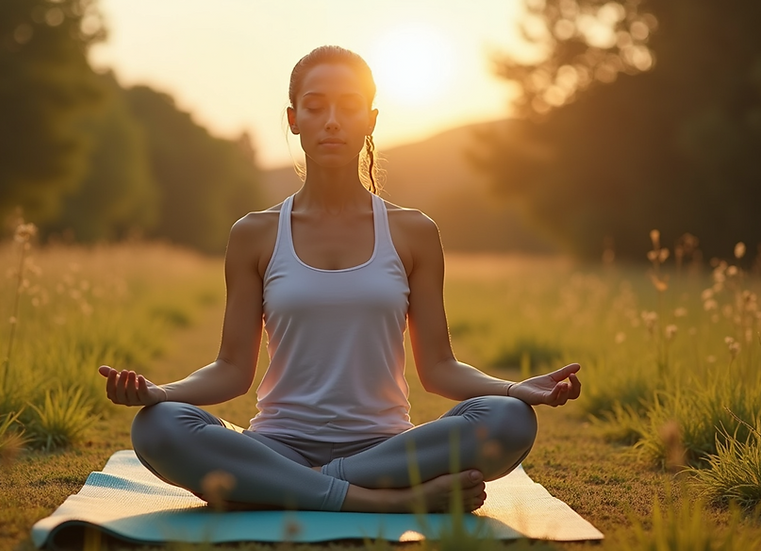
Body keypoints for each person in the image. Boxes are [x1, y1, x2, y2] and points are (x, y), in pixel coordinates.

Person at [98, 45, 582, 513]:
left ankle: (277, 489)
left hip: (386, 449)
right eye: (315, 106)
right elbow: (231, 369)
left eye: (349, 107)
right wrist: (159, 394)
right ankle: (384, 502)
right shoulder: (254, 234)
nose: (332, 120)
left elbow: (438, 369)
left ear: (370, 120)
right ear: (293, 119)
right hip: (279, 445)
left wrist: (514, 389)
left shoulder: (414, 231)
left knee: (508, 420)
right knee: (158, 427)